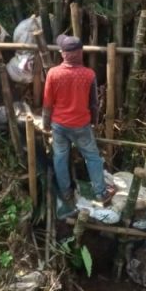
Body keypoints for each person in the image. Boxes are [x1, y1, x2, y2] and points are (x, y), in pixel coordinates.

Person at [42, 35, 106, 211]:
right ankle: (101, 192)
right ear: (80, 53)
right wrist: (94, 121)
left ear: (64, 54)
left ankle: (66, 192)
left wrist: (46, 124)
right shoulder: (89, 74)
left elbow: (47, 103)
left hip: (59, 125)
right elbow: (93, 103)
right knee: (92, 157)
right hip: (81, 125)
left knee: (60, 157)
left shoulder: (53, 74)